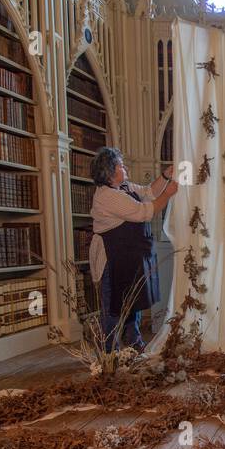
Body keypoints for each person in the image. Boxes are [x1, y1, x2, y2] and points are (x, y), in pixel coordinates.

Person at [88, 148, 177, 351]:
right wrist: (169, 193)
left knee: (131, 299)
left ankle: (133, 341)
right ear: (110, 172)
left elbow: (148, 192)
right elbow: (143, 212)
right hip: (112, 258)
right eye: (120, 165)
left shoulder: (124, 187)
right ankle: (110, 352)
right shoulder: (107, 196)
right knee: (113, 306)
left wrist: (165, 177)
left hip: (129, 255)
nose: (125, 168)